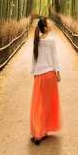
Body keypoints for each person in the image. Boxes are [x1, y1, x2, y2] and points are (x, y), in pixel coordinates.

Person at [30, 16, 62, 145]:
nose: (50, 25)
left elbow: (34, 59)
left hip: (39, 75)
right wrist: (58, 72)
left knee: (38, 105)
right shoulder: (51, 41)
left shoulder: (37, 41)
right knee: (48, 104)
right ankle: (42, 132)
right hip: (50, 75)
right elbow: (55, 58)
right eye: (48, 23)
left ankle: (39, 132)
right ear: (45, 28)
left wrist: (34, 72)